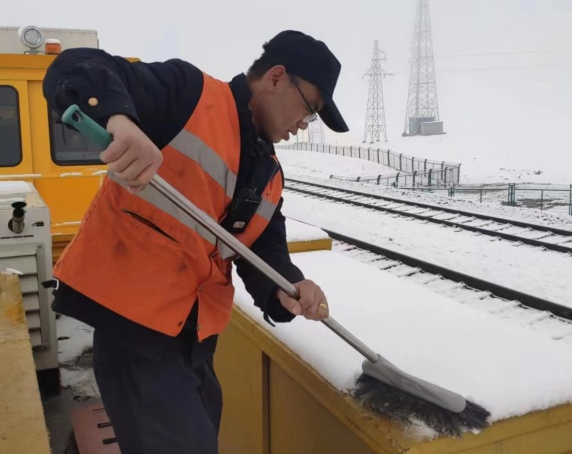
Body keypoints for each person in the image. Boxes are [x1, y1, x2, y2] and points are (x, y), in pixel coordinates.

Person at [41, 30, 349, 454]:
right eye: (309, 109)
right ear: (276, 78)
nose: (303, 126)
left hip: (196, 339)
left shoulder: (269, 174)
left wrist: (290, 286)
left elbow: (264, 250)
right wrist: (120, 121)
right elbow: (78, 66)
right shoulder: (190, 95)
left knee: (202, 428)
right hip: (137, 329)